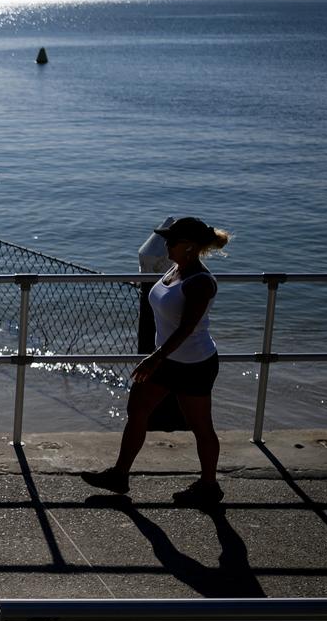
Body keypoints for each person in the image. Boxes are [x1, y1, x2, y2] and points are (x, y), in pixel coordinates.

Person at [83, 217, 231, 507]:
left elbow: (186, 328)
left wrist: (154, 358)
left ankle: (209, 486)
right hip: (166, 358)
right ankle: (119, 475)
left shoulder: (200, 282)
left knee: (200, 425)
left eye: (172, 241)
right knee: (137, 409)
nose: (166, 245)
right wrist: (159, 357)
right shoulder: (175, 269)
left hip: (193, 364)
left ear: (189, 246)